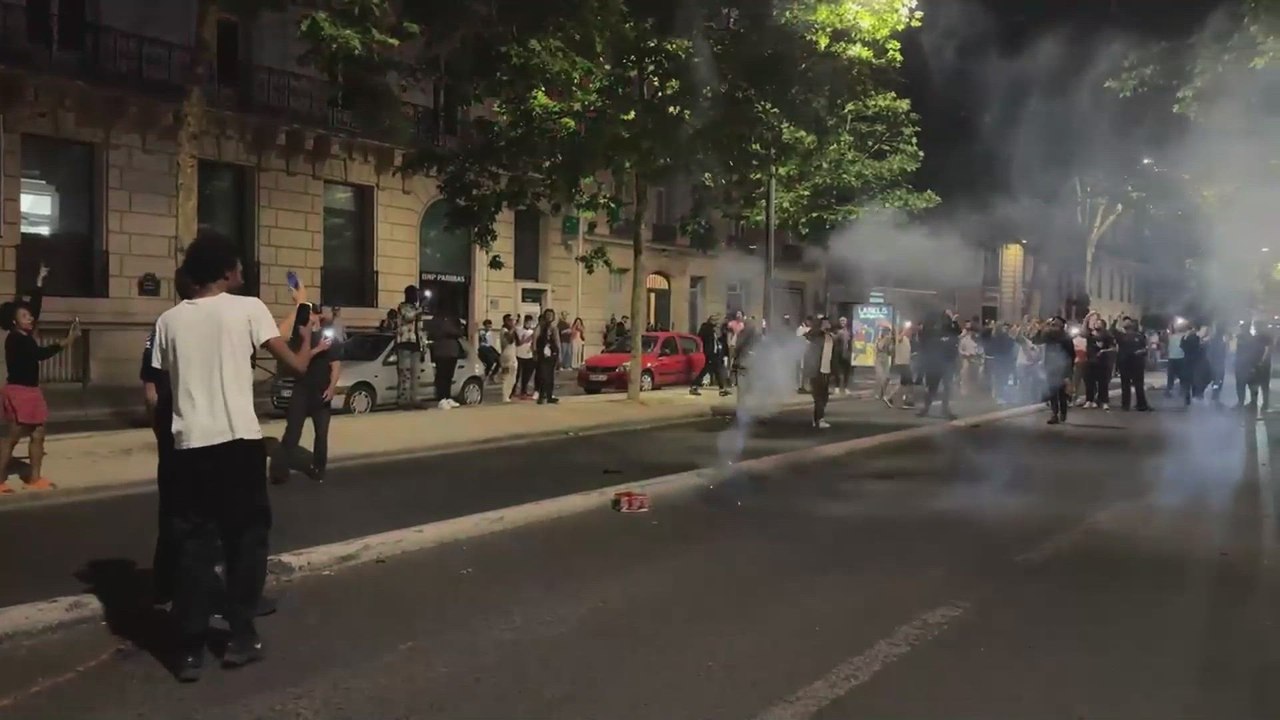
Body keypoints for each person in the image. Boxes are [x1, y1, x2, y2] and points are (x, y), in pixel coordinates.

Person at [151, 232, 325, 681]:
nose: (244, 274)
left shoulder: (168, 321)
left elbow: (170, 380)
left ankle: (189, 649)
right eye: (240, 267)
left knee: (193, 545)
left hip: (189, 444)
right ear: (227, 271)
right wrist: (309, 341)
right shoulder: (249, 308)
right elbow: (296, 367)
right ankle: (241, 633)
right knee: (245, 539)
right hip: (237, 442)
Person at [0, 263, 79, 494]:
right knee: (12, 438)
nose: (30, 318)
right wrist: (65, 342)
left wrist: (39, 281)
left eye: (30, 316)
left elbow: (34, 306)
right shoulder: (15, 339)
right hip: (18, 392)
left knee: (38, 433)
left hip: (31, 391)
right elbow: (39, 354)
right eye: (25, 316)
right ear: (14, 321)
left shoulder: (23, 333)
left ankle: (34, 478)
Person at [270, 304, 340, 483]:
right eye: (309, 314)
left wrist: (332, 388)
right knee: (292, 433)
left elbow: (336, 365)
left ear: (317, 317)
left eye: (313, 314)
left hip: (321, 392)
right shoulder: (298, 337)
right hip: (301, 390)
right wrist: (317, 349)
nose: (311, 318)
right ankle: (280, 471)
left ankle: (318, 469)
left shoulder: (328, 336)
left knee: (321, 434)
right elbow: (299, 364)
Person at [916, 310, 960, 419]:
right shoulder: (930, 331)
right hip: (935, 363)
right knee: (932, 387)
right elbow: (923, 338)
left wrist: (953, 321)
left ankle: (943, 410)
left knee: (946, 387)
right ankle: (927, 409)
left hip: (946, 363)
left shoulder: (948, 330)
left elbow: (958, 332)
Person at [1036, 316, 1075, 424]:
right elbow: (1037, 339)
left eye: (1055, 323)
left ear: (1061, 325)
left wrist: (1068, 372)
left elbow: (1071, 355)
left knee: (1062, 393)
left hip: (1063, 368)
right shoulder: (1048, 335)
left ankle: (1063, 412)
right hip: (1050, 366)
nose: (1053, 324)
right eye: (1052, 323)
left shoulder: (1066, 338)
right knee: (1052, 392)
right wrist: (1044, 326)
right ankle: (1054, 414)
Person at [427, 314, 464, 409]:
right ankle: (441, 398)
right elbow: (435, 333)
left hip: (452, 351)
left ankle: (448, 397)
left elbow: (459, 332)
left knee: (449, 376)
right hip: (441, 351)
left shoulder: (454, 318)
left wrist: (450, 331)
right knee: (441, 376)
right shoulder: (436, 319)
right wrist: (450, 331)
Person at [394, 286, 423, 408]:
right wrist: (418, 310)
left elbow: (420, 328)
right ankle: (403, 400)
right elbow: (408, 317)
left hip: (415, 344)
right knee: (405, 373)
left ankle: (414, 399)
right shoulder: (402, 307)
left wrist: (423, 345)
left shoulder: (416, 308)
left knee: (415, 374)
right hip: (404, 342)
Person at [804, 316, 835, 429]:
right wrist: (820, 329)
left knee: (824, 397)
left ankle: (817, 418)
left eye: (828, 323)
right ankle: (819, 419)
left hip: (827, 370)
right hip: (816, 370)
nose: (827, 325)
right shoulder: (816, 336)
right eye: (825, 323)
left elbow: (834, 355)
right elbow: (809, 334)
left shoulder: (830, 337)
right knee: (818, 397)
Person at [1115, 317, 1151, 412]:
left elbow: (1145, 349)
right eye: (1125, 321)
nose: (1126, 322)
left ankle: (1141, 405)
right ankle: (1125, 405)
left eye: (1128, 321)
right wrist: (1116, 319)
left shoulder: (1139, 336)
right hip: (1124, 363)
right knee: (1125, 385)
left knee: (1139, 385)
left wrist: (1141, 351)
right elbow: (1111, 330)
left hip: (1137, 363)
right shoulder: (1121, 336)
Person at [690, 313, 729, 397]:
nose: (717, 323)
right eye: (715, 321)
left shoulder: (713, 329)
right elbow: (701, 337)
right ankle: (694, 386)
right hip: (709, 353)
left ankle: (722, 389)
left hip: (715, 353)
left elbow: (716, 341)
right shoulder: (706, 328)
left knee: (717, 370)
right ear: (711, 320)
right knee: (706, 370)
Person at [1083, 314, 1115, 410]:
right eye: (1096, 323)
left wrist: (1103, 351)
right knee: (1089, 383)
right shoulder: (1090, 335)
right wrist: (1087, 317)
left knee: (1103, 383)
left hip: (1103, 363)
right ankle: (1089, 400)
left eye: (1099, 323)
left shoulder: (1107, 336)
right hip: (1090, 362)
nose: (1097, 324)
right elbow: (1083, 330)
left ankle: (1104, 401)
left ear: (1103, 326)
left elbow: (1113, 348)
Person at [534, 308, 561, 404]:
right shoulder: (540, 327)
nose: (549, 317)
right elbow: (535, 338)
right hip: (542, 354)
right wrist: (535, 351)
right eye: (547, 315)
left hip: (552, 353)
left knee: (550, 376)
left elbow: (557, 342)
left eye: (551, 315)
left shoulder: (554, 328)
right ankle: (541, 396)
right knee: (543, 375)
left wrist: (559, 355)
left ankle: (549, 395)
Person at [891, 323, 915, 408]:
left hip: (905, 363)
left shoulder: (907, 340)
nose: (910, 332)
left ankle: (890, 398)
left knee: (904, 384)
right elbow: (899, 338)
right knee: (909, 384)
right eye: (909, 331)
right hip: (902, 364)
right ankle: (907, 402)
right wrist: (905, 328)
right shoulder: (900, 338)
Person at [515, 314, 536, 399]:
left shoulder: (532, 332)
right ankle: (513, 390)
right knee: (517, 374)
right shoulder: (519, 330)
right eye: (527, 322)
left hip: (529, 355)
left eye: (530, 322)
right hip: (520, 354)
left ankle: (524, 390)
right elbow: (519, 342)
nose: (528, 323)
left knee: (526, 375)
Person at [499, 314, 519, 402]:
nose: (512, 322)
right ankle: (505, 396)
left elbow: (518, 341)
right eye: (510, 320)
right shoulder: (504, 330)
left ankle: (508, 394)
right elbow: (509, 339)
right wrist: (513, 328)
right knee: (506, 376)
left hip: (512, 355)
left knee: (513, 377)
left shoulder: (510, 331)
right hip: (506, 356)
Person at [873, 326, 894, 406]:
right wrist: (885, 339)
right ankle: (880, 394)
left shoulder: (889, 340)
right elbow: (879, 347)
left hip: (885, 358)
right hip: (879, 359)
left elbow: (890, 351)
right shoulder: (879, 339)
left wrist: (891, 345)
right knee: (880, 376)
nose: (888, 334)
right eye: (886, 332)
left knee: (886, 377)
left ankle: (883, 394)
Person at [1165, 321, 1187, 397]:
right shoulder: (1171, 336)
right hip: (1175, 358)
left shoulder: (1183, 335)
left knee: (1181, 376)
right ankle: (1170, 390)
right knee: (1172, 376)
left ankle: (1180, 390)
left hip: (1178, 357)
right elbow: (1169, 329)